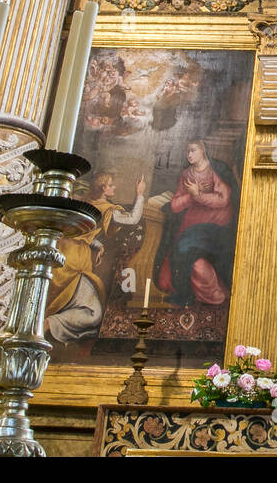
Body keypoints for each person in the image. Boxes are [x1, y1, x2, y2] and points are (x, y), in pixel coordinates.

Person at [47, 173, 147, 343]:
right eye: (111, 185)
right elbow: (132, 219)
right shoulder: (106, 209)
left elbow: (81, 233)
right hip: (76, 260)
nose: (114, 187)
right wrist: (140, 195)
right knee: (93, 314)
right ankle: (47, 325)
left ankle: (48, 323)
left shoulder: (87, 204)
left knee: (61, 301)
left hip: (62, 252)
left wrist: (97, 245)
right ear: (103, 188)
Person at [156, 142, 239, 306]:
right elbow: (174, 205)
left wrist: (199, 195)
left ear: (203, 151)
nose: (189, 155)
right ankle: (186, 293)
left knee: (195, 260)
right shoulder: (186, 174)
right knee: (166, 279)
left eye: (193, 150)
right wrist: (191, 196)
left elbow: (224, 200)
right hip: (191, 224)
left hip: (215, 224)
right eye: (187, 151)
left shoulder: (216, 170)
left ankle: (209, 293)